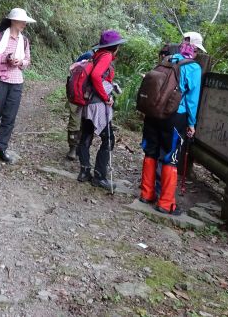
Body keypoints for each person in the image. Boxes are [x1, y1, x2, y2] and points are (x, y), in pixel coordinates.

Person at [139, 31, 205, 215]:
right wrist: (191, 124)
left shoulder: (167, 60)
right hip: (175, 116)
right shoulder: (193, 68)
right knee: (171, 157)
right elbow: (192, 100)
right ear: (195, 50)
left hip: (154, 113)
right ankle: (166, 203)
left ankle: (146, 194)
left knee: (151, 151)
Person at [0, 8, 35, 163]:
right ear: (13, 21)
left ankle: (2, 148)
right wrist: (7, 59)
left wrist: (20, 62)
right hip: (1, 81)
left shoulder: (24, 41)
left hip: (16, 82)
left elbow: (27, 60)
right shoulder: (0, 36)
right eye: (22, 21)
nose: (24, 24)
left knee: (9, 117)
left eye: (25, 21)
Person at [77, 30, 126, 190]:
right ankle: (99, 176)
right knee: (109, 138)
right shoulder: (106, 56)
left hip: (88, 102)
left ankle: (84, 172)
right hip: (98, 105)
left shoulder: (97, 54)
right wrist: (106, 97)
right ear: (115, 46)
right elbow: (96, 76)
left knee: (86, 136)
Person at [66, 49, 95, 161]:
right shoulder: (94, 57)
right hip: (88, 96)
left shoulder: (86, 55)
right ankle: (76, 148)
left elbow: (72, 70)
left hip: (76, 96)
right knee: (83, 123)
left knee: (75, 122)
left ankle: (73, 148)